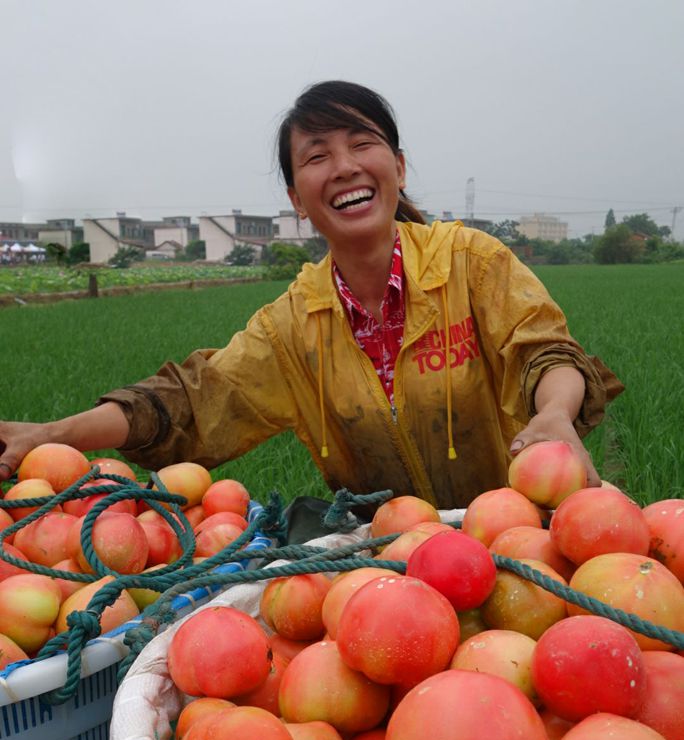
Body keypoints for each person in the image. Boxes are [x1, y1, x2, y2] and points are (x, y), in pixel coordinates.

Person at [0, 81, 622, 511]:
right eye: (318, 156)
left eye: (362, 144)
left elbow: (544, 351)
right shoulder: (294, 326)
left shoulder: (472, 262)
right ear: (298, 200)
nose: (345, 166)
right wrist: (57, 432)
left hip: (519, 535)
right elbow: (194, 402)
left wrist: (554, 415)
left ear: (398, 168)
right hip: (387, 567)